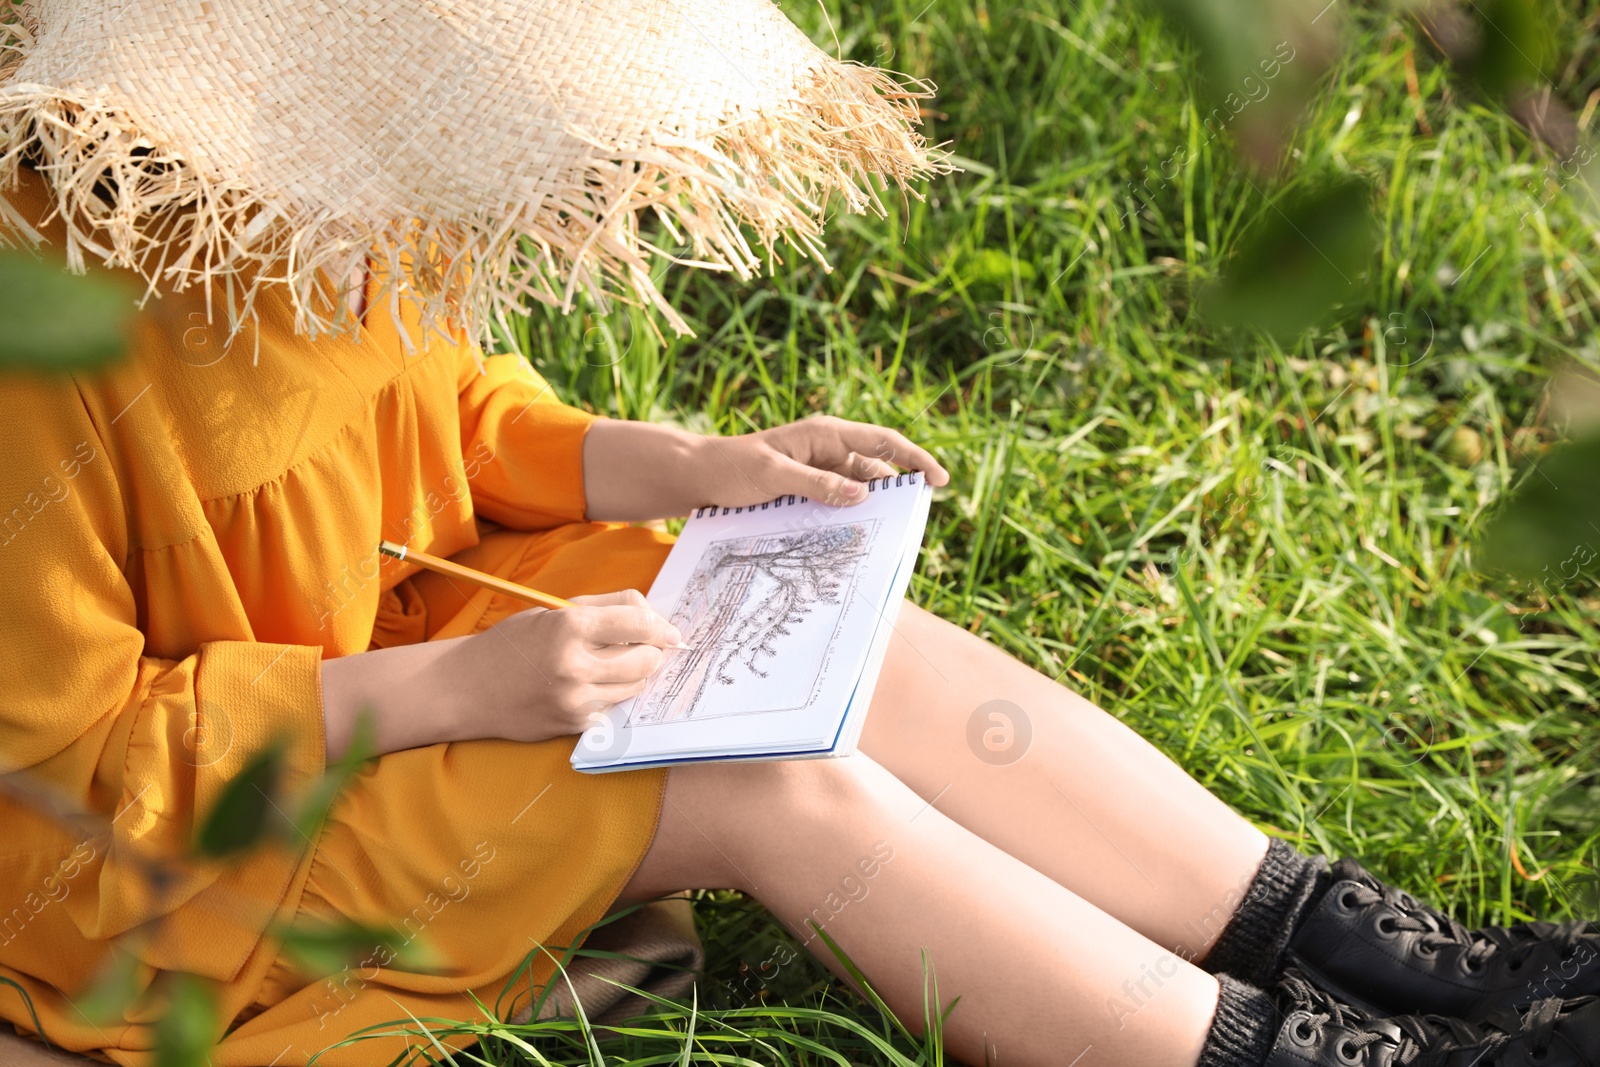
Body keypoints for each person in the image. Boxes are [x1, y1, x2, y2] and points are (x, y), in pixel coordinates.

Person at [1, 3, 1597, 1066]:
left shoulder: (325, 177)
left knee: (786, 628)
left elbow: (459, 415)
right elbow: (61, 771)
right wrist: (455, 699)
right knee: (739, 766)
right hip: (164, 849)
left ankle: (1402, 965)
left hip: (398, 648)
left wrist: (699, 469)